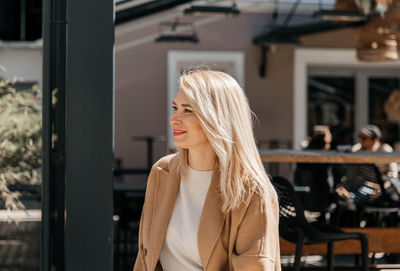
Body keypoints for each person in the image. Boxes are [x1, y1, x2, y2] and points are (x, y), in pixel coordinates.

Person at [133, 70, 281, 271]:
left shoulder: (251, 191)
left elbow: (254, 266)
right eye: (175, 108)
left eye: (188, 110)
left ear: (217, 118)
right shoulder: (162, 172)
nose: (174, 119)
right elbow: (145, 258)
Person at [294, 125, 333, 222]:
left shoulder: (303, 157)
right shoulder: (321, 161)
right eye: (327, 142)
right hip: (320, 201)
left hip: (303, 200)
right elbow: (327, 185)